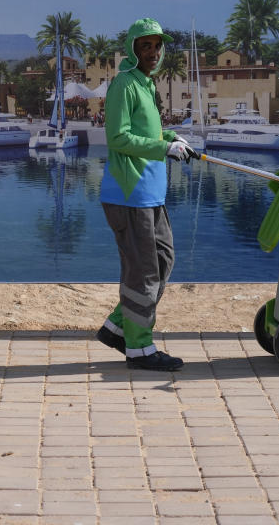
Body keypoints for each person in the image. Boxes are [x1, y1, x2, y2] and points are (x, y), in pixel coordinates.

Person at [95, 18, 198, 371]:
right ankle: (139, 348)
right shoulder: (124, 85)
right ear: (132, 49)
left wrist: (170, 138)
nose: (153, 53)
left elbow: (148, 131)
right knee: (143, 273)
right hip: (129, 193)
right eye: (145, 46)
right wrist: (161, 149)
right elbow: (118, 138)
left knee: (164, 260)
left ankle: (117, 326)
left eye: (157, 46)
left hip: (151, 194)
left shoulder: (146, 84)